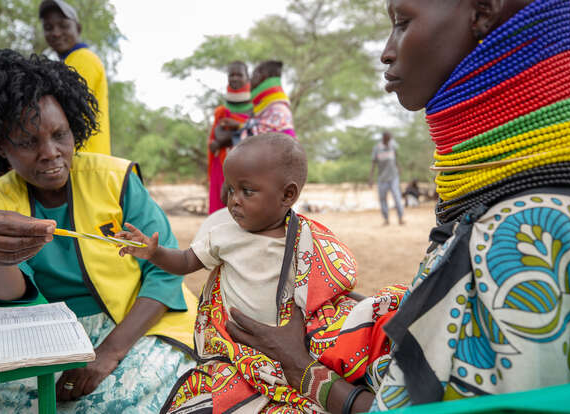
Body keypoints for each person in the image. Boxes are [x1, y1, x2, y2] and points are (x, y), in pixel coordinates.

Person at [222, 0, 570, 413]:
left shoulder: (528, 237)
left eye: (402, 23)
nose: (386, 50)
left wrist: (300, 367)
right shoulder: (530, 209)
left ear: (483, 10)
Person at [0, 49, 197, 413]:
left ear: (73, 127)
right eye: (28, 142)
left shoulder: (116, 179)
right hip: (46, 337)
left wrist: (108, 353)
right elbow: (11, 294)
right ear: (0, 145)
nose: (50, 153)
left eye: (60, 135)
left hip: (135, 325)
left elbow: (165, 273)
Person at [118, 133, 378, 413]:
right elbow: (184, 262)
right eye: (231, 190)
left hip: (292, 347)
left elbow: (327, 286)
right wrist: (154, 253)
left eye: (247, 191)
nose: (234, 201)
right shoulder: (224, 235)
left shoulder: (306, 239)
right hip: (238, 349)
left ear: (287, 195)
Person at [39, 0, 110, 155]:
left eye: (63, 26)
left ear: (77, 28)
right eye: (48, 28)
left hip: (84, 160)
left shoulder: (82, 59)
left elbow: (68, 113)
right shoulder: (69, 62)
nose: (56, 33)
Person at [207, 61, 253, 214]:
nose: (234, 78)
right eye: (231, 75)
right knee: (219, 206)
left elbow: (251, 135)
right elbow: (215, 138)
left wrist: (222, 139)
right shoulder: (222, 109)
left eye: (239, 74)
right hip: (221, 164)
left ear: (248, 77)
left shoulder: (255, 106)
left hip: (246, 163)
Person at [241, 60, 296, 138]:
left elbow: (256, 139)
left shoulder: (277, 110)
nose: (250, 80)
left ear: (263, 76)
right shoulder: (268, 108)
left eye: (253, 75)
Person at [369, 131, 405, 225]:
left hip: (393, 177)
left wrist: (399, 167)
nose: (389, 140)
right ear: (384, 138)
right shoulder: (377, 148)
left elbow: (395, 159)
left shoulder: (392, 146)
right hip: (382, 178)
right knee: (383, 199)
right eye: (388, 138)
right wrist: (371, 178)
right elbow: (373, 164)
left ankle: (400, 218)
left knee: (397, 198)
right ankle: (386, 219)